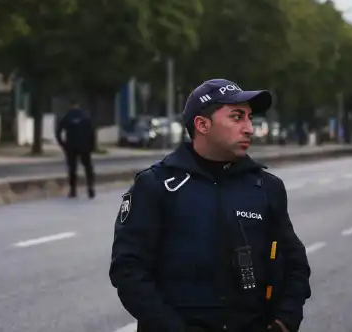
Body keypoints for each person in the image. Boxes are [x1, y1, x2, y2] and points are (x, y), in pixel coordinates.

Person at [110, 79, 312, 332]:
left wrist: (285, 322)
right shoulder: (156, 186)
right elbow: (128, 270)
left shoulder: (267, 187)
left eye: (249, 118)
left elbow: (295, 264)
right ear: (202, 124)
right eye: (237, 117)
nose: (249, 128)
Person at [55, 99, 97, 199]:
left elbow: (58, 132)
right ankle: (90, 188)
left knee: (72, 169)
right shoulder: (86, 116)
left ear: (69, 105)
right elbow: (92, 132)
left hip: (71, 146)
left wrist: (63, 145)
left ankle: (73, 190)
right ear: (78, 104)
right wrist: (92, 145)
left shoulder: (67, 116)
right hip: (85, 146)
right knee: (88, 167)